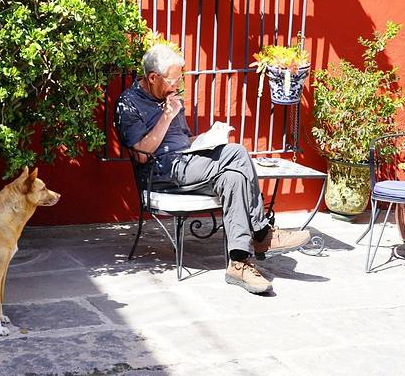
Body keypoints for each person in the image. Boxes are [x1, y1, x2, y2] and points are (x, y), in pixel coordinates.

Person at [114, 44, 310, 294]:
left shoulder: (170, 99)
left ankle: (238, 263)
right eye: (174, 80)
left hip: (188, 163)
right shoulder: (128, 103)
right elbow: (142, 154)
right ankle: (262, 233)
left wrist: (208, 139)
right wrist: (166, 116)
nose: (177, 85)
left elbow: (182, 140)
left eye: (180, 79)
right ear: (153, 77)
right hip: (162, 171)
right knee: (237, 153)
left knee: (233, 177)